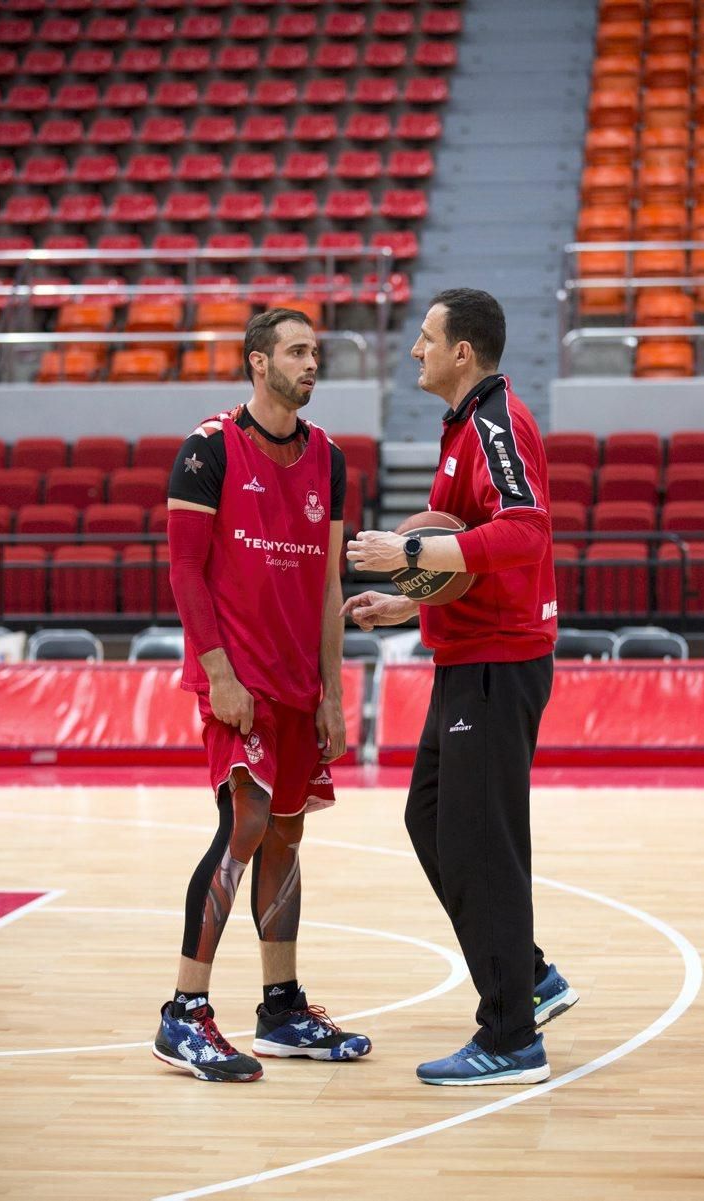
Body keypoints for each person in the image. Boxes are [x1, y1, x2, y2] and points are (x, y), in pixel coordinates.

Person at [343, 288, 577, 1086]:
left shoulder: (494, 422)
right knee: (434, 819)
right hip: (467, 657)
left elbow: (522, 530)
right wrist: (406, 599)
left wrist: (399, 548)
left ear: (462, 353)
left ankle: (511, 1033)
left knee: (485, 846)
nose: (415, 348)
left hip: (497, 664)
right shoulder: (463, 426)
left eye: (427, 336)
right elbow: (458, 568)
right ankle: (530, 974)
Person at [153, 308, 371, 1083]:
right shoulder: (207, 449)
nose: (313, 363)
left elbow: (329, 584)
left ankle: (280, 1007)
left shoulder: (332, 458)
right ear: (257, 362)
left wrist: (333, 694)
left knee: (286, 837)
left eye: (315, 351)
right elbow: (185, 572)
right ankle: (184, 1011)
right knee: (243, 823)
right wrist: (217, 674)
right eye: (297, 351)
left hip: (296, 686)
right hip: (236, 679)